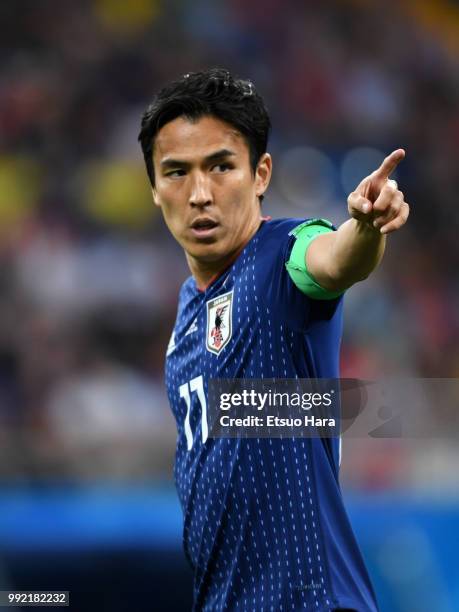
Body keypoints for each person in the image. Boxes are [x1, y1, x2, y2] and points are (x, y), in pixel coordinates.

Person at [138, 68, 409, 611]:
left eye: (221, 167)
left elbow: (332, 260)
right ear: (153, 189)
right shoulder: (187, 310)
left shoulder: (280, 256)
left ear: (260, 174)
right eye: (175, 172)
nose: (199, 194)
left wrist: (365, 226)